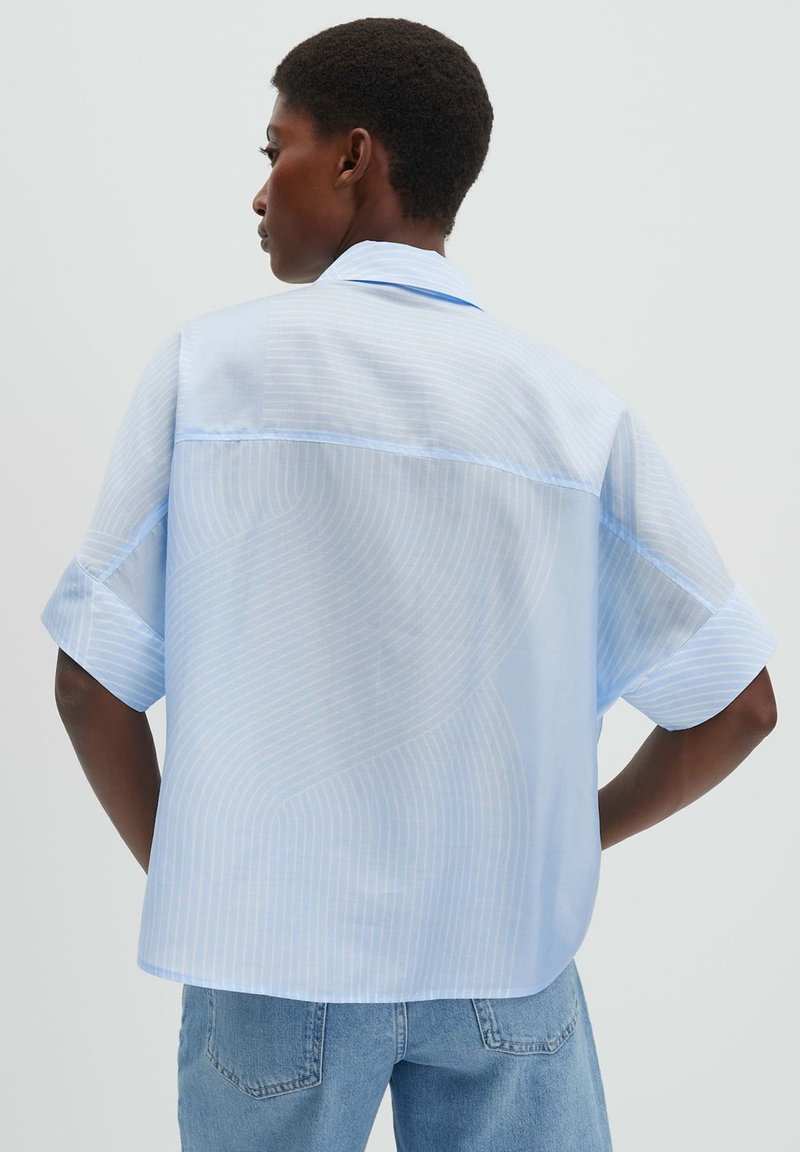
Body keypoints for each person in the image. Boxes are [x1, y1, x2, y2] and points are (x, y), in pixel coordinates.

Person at [41, 16, 777, 1152]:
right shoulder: (571, 415)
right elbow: (738, 705)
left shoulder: (209, 372)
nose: (258, 193)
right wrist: (562, 841)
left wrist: (205, 881)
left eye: (274, 149)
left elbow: (89, 684)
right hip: (504, 963)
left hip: (268, 965)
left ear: (353, 157)